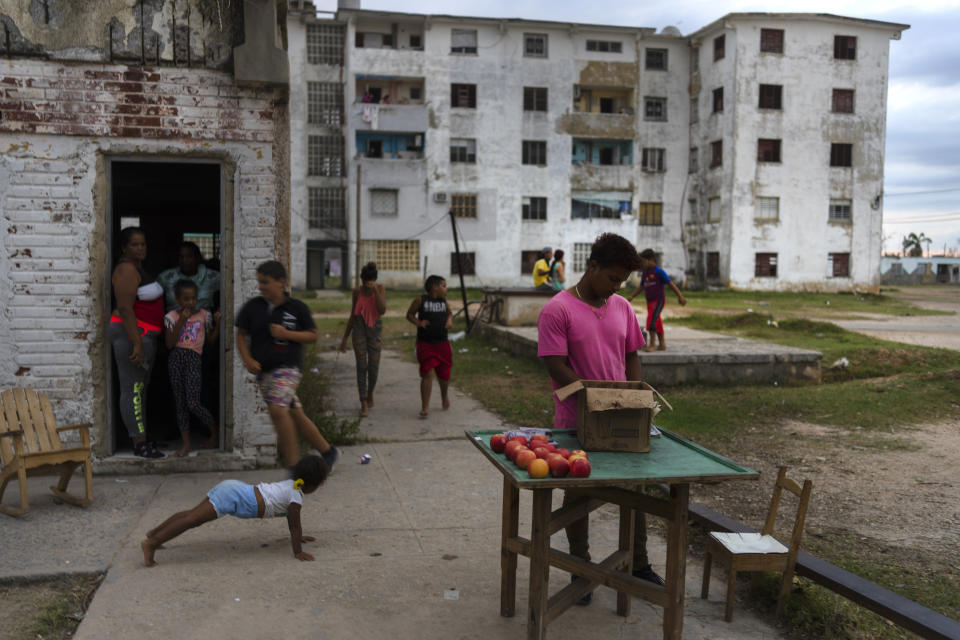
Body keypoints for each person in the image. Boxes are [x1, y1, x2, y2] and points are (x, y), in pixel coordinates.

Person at [537, 232, 664, 604]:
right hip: (575, 421)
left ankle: (638, 564)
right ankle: (581, 568)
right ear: (592, 266)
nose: (615, 287)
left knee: (634, 491)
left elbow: (632, 355)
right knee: (578, 495)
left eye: (621, 282)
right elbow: (554, 364)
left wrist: (635, 392)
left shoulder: (622, 307)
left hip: (622, 419)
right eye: (611, 278)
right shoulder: (557, 309)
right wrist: (594, 397)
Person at [235, 260, 340, 471]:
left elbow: (312, 335)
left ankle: (294, 466)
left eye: (266, 282)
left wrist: (286, 334)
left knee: (277, 410)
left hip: (288, 369)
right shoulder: (253, 307)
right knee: (294, 414)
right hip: (264, 373)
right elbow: (241, 334)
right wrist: (247, 359)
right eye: (259, 282)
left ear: (281, 282)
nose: (261, 286)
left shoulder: (297, 308)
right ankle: (328, 451)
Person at [140, 454, 328, 567]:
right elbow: (295, 525)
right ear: (313, 484)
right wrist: (298, 551)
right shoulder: (295, 496)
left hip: (234, 489)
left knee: (190, 514)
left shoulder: (291, 485)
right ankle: (152, 543)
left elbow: (291, 522)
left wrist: (299, 536)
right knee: (192, 519)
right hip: (235, 497)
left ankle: (154, 533)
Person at [110, 226, 166, 459]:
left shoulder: (138, 268)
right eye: (134, 244)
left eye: (143, 244)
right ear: (124, 247)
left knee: (139, 389)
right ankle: (138, 442)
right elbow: (124, 308)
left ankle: (141, 435)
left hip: (143, 334)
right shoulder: (125, 269)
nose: (140, 248)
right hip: (131, 334)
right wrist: (137, 343)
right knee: (132, 389)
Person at [164, 280, 221, 457]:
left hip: (194, 359)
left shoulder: (204, 315)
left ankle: (215, 433)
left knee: (193, 402)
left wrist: (217, 324)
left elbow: (211, 340)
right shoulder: (171, 316)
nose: (190, 302)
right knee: (180, 402)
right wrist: (182, 320)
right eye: (186, 299)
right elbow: (169, 344)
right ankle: (186, 444)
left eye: (193, 298)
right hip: (176, 358)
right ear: (177, 299)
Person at [339, 262, 386, 417]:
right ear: (362, 280)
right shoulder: (357, 292)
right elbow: (353, 315)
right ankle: (363, 401)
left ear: (374, 280)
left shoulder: (380, 289)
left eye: (370, 281)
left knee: (374, 368)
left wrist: (375, 292)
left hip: (375, 332)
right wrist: (345, 338)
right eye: (365, 282)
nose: (367, 284)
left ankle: (370, 391)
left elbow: (382, 310)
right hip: (359, 330)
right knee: (361, 366)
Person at [405, 275, 453, 418]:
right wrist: (419, 323)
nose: (445, 289)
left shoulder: (444, 302)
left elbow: (450, 313)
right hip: (425, 344)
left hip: (442, 343)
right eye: (443, 286)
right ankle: (425, 407)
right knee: (428, 374)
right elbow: (409, 314)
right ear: (435, 287)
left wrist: (449, 320)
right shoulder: (421, 300)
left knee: (444, 376)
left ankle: (444, 396)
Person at [627, 249, 687, 351]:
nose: (642, 264)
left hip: (658, 301)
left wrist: (680, 296)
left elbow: (671, 284)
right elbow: (641, 287)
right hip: (649, 302)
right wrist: (632, 296)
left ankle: (652, 344)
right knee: (657, 321)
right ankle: (662, 344)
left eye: (644, 261)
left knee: (651, 321)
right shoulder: (645, 273)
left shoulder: (659, 272)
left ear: (651, 260)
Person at [158, 241, 221, 312]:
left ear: (197, 258)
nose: (184, 260)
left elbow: (229, 289)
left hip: (202, 321)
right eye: (181, 257)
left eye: (189, 256)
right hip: (174, 322)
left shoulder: (212, 277)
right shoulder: (166, 277)